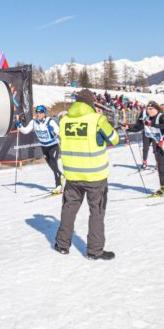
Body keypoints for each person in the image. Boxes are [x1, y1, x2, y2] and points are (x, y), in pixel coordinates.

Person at [54, 89, 119, 260]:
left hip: (72, 174)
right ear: (91, 103)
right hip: (95, 175)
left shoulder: (64, 120)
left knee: (68, 209)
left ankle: (62, 245)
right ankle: (94, 251)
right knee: (96, 212)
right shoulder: (97, 119)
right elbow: (114, 139)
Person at [17, 104, 62, 193]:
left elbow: (59, 132)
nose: (38, 114)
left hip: (53, 145)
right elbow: (26, 131)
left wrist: (53, 131)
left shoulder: (50, 121)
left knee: (53, 162)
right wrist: (19, 126)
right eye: (37, 112)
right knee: (51, 165)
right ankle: (60, 175)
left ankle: (58, 185)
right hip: (44, 146)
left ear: (44, 113)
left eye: (41, 112)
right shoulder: (33, 122)